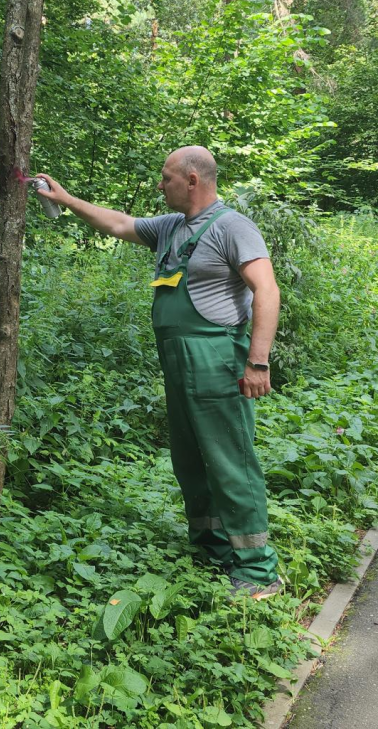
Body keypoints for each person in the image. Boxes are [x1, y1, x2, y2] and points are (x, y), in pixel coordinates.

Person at [35, 146, 283, 600]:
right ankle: (212, 547)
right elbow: (117, 222)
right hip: (177, 359)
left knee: (231, 461)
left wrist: (257, 360)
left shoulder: (232, 227)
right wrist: (66, 199)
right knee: (190, 461)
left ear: (192, 179)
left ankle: (259, 571)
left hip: (216, 358)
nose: (160, 184)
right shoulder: (171, 227)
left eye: (166, 177)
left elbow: (267, 289)